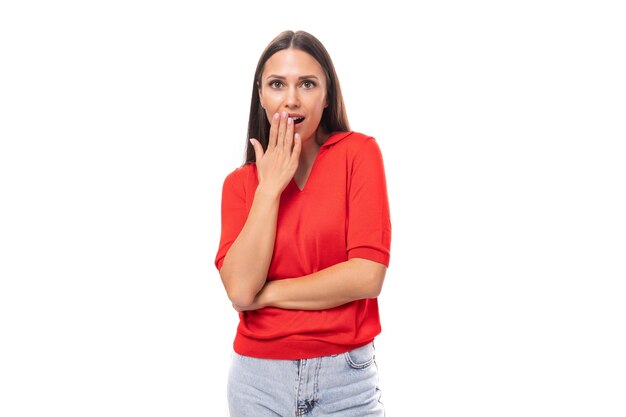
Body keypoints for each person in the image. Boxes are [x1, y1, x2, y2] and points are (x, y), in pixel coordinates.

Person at [214, 30, 391, 416]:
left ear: (327, 96)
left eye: (307, 84)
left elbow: (366, 276)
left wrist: (269, 294)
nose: (291, 99)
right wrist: (269, 189)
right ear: (261, 94)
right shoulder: (240, 185)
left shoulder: (358, 155)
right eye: (277, 84)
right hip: (257, 382)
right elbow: (242, 290)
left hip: (346, 379)